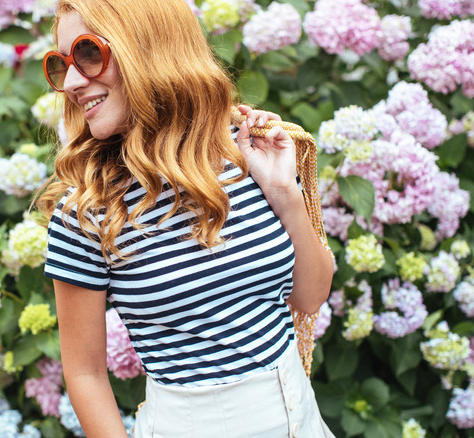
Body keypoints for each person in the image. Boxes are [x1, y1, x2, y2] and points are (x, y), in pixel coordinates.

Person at [37, 0, 335, 436]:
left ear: (149, 47)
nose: (73, 83)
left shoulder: (247, 149)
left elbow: (310, 296)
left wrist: (283, 192)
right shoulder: (85, 210)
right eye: (60, 64)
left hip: (303, 420)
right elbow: (84, 375)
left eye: (87, 54)